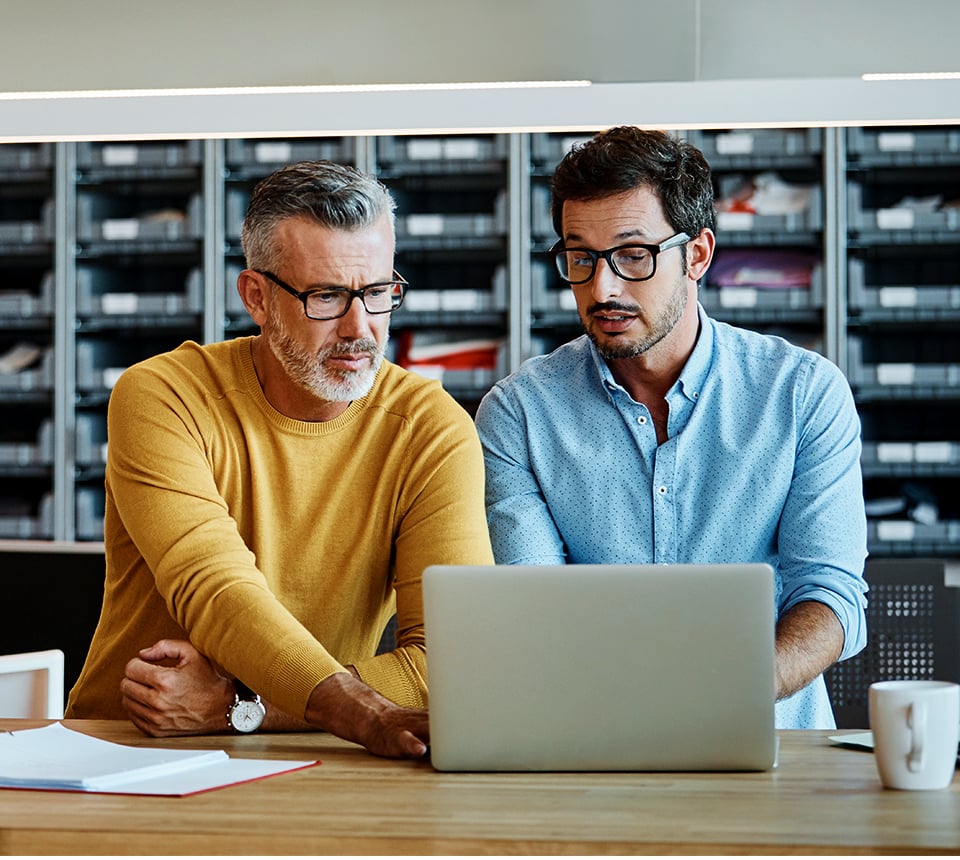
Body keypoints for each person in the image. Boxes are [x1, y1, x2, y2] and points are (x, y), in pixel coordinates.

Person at [65, 160, 494, 757]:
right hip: (128, 751)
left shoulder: (430, 426)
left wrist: (243, 709)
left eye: (376, 293)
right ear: (257, 298)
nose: (360, 327)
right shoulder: (164, 396)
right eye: (326, 296)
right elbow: (216, 589)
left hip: (322, 755)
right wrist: (357, 709)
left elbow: (451, 661)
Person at [474, 126, 868, 729]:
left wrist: (727, 694)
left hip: (770, 745)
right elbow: (535, 608)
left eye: (633, 255)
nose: (602, 287)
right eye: (580, 257)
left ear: (698, 255)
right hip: (591, 744)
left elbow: (830, 595)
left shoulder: (802, 393)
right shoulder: (519, 413)